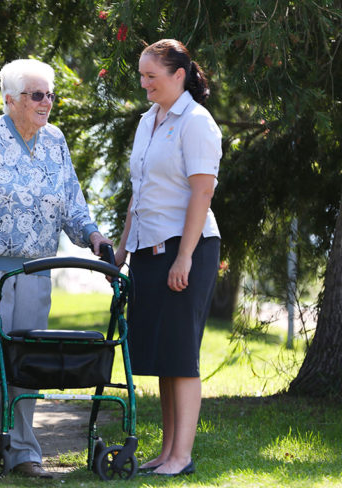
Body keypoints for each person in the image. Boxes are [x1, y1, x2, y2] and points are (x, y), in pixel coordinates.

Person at [0, 59, 111, 478]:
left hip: (36, 268)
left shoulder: (55, 142)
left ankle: (23, 452)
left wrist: (94, 237)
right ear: (10, 99)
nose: (46, 102)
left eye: (50, 94)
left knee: (28, 360)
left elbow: (72, 204)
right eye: (36, 95)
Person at [113, 39, 222, 477]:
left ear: (179, 75)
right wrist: (122, 250)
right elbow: (139, 194)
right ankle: (166, 451)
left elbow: (202, 191)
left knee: (180, 355)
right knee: (161, 356)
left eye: (151, 76)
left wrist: (185, 258)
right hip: (147, 249)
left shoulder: (197, 122)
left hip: (186, 247)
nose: (144, 84)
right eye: (141, 76)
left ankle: (182, 456)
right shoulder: (148, 121)